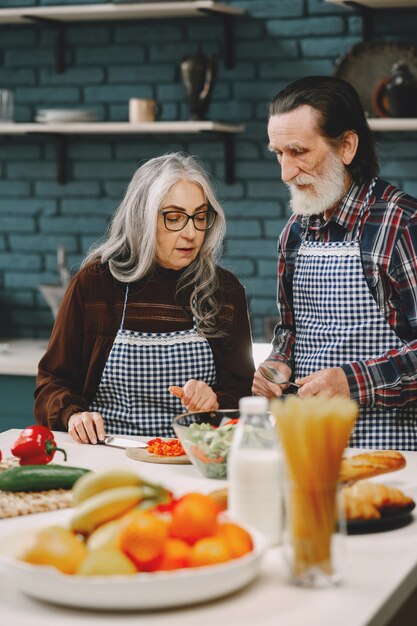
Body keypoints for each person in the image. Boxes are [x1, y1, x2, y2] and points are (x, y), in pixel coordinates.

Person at [35, 152, 254, 444]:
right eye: (174, 218)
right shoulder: (94, 285)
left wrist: (215, 401)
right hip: (106, 455)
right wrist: (73, 415)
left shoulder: (224, 291)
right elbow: (51, 383)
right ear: (142, 218)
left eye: (200, 217)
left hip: (190, 459)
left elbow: (243, 391)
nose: (191, 233)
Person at [252, 75, 417, 450]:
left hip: (390, 451)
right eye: (278, 153)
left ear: (346, 146)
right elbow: (291, 331)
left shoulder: (401, 224)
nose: (285, 173)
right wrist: (276, 367)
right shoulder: (294, 232)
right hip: (305, 443)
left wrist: (352, 382)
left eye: (298, 152)